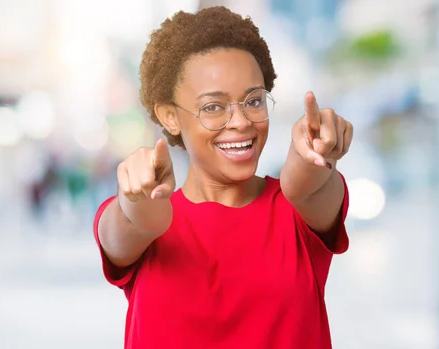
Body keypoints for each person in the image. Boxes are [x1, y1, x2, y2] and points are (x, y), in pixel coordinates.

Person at [93, 6, 353, 349]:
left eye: (253, 101)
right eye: (213, 107)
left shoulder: (297, 213)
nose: (241, 121)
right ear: (170, 117)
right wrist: (136, 193)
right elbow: (135, 222)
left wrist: (312, 146)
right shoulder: (146, 223)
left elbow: (302, 182)